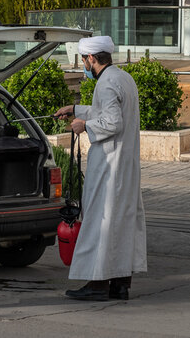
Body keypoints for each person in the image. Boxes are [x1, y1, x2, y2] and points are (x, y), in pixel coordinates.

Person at [55, 36, 147, 301]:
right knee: (122, 223)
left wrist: (85, 126)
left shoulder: (105, 83)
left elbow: (112, 122)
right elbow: (106, 110)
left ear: (91, 58)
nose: (84, 65)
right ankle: (120, 284)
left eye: (83, 60)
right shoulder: (123, 78)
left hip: (109, 166)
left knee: (100, 222)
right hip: (125, 165)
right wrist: (74, 109)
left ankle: (97, 284)